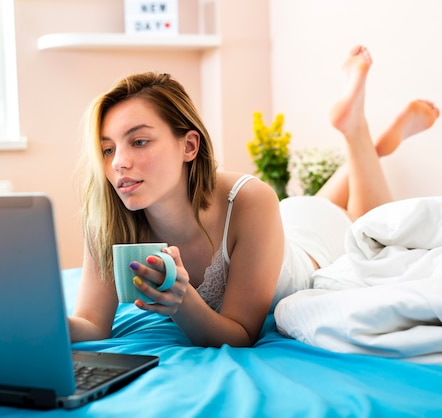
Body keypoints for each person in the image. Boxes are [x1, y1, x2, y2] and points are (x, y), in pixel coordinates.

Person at [68, 45, 440, 348]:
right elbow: (90, 324)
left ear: (189, 145)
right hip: (284, 222)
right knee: (331, 201)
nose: (119, 163)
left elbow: (241, 334)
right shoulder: (107, 214)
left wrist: (183, 303)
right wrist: (25, 323)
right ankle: (370, 144)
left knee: (364, 220)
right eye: (107, 149)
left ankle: (356, 130)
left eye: (139, 141)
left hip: (312, 241)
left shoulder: (249, 198)